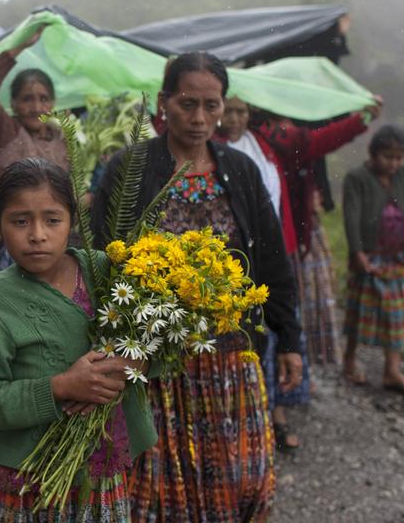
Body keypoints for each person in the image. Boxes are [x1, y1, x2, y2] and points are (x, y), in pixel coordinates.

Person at [92, 52, 301, 522]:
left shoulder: (240, 172)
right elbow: (100, 258)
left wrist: (289, 338)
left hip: (229, 359)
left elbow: (271, 259)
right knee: (162, 486)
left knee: (235, 477)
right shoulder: (130, 168)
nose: (200, 118)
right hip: (154, 363)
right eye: (188, 104)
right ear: (164, 103)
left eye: (212, 105)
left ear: (224, 106)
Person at [0, 157, 156, 522]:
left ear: (73, 220)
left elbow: (153, 340)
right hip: (25, 480)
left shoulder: (106, 271)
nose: (37, 234)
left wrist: (133, 362)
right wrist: (61, 387)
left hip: (100, 468)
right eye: (20, 221)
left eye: (52, 220)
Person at [221, 95, 380, 450]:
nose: (233, 118)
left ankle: (277, 412)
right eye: (226, 110)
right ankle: (243, 416)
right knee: (241, 338)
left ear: (251, 113)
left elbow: (317, 142)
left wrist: (361, 119)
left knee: (278, 331)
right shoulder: (207, 151)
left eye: (241, 111)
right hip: (234, 262)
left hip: (276, 255)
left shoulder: (267, 142)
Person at [342, 124, 404, 397]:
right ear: (373, 154)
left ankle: (392, 370)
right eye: (388, 157)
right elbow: (351, 217)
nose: (393, 163)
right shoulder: (357, 178)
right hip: (370, 257)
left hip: (397, 258)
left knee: (396, 316)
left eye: (399, 158)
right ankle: (350, 359)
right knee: (359, 313)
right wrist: (358, 252)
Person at [0, 24, 69, 180]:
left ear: (52, 104)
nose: (36, 108)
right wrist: (21, 46)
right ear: (13, 104)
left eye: (43, 99)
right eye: (27, 99)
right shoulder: (6, 133)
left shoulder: (62, 137)